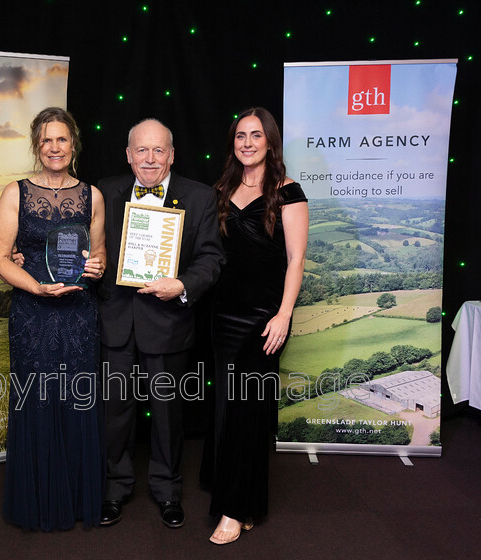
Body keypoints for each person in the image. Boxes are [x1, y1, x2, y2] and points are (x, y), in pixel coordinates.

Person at [97, 118, 226, 529]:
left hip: (169, 322)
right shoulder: (102, 192)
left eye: (158, 151)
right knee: (115, 411)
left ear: (172, 155)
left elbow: (212, 258)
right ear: (128, 155)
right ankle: (114, 489)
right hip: (115, 319)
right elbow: (86, 247)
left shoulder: (201, 197)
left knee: (168, 413)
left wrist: (183, 284)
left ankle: (168, 491)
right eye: (141, 150)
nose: (149, 158)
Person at [0, 107, 107, 531]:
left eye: (62, 139)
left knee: (76, 397)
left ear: (73, 143)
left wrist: (96, 267)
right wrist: (35, 287)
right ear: (36, 145)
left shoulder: (92, 195)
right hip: (32, 312)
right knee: (37, 398)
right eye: (46, 139)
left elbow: (100, 253)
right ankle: (37, 502)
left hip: (78, 312)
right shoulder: (15, 192)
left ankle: (76, 499)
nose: (54, 147)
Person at [202, 107, 308, 545]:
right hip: (220, 314)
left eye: (256, 135)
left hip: (263, 319)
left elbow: (296, 260)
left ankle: (233, 509)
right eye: (240, 135)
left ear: (270, 142)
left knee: (247, 409)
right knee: (228, 407)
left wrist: (283, 315)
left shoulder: (288, 192)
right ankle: (243, 500)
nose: (247, 142)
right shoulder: (220, 189)